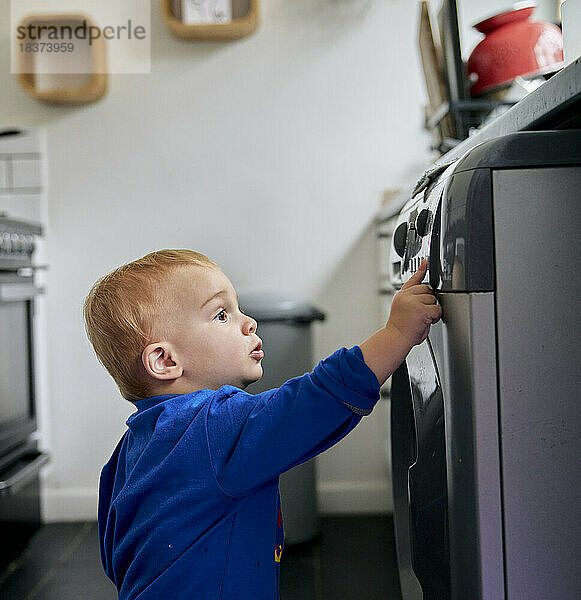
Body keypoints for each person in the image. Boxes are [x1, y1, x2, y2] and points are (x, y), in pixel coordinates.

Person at [84, 249, 441, 600]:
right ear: (164, 360)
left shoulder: (124, 455)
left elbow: (116, 557)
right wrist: (397, 332)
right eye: (222, 314)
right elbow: (317, 401)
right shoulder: (213, 425)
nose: (248, 322)